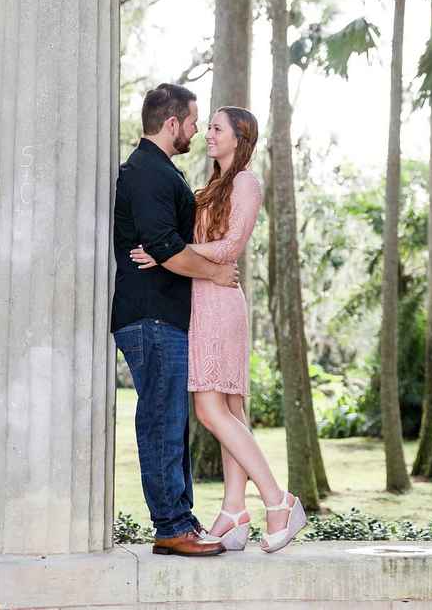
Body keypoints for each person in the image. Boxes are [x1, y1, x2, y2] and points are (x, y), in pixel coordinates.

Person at [131, 106, 306, 553]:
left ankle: (279, 500)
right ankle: (233, 511)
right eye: (205, 126)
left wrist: (171, 249)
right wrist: (174, 252)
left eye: (215, 128)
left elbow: (231, 246)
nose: (206, 133)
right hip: (201, 299)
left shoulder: (246, 182)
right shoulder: (211, 186)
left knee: (210, 410)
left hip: (220, 303)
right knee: (230, 410)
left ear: (239, 137)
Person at [111, 83, 240, 558]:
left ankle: (179, 519)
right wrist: (215, 272)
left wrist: (175, 254)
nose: (195, 130)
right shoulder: (147, 172)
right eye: (192, 121)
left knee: (170, 419)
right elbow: (164, 246)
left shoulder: (160, 171)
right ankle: (170, 525)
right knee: (162, 419)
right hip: (149, 317)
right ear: (171, 124)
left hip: (162, 317)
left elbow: (165, 246)